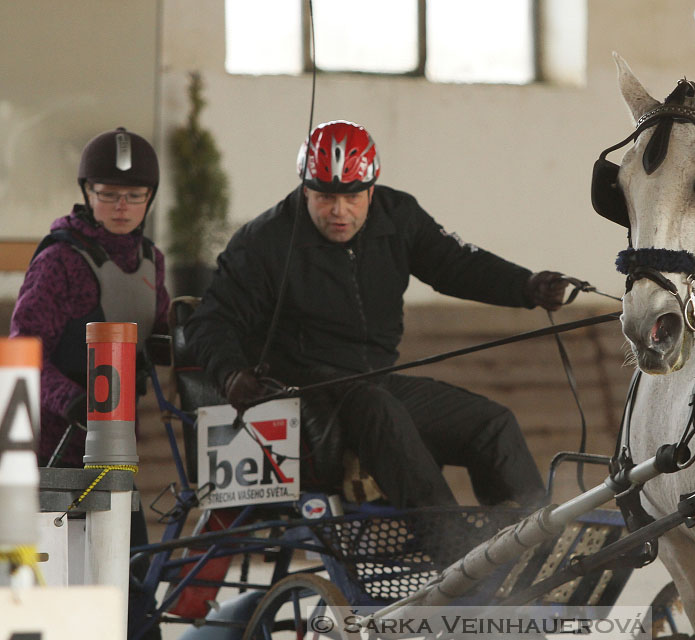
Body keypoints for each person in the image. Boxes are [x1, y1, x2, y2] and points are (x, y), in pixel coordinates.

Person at [185, 120, 568, 510]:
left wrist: (525, 286)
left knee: (492, 424)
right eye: (324, 197)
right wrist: (230, 372)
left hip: (375, 384)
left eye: (353, 198)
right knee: (379, 408)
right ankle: (451, 545)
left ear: (371, 188)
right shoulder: (264, 242)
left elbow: (454, 265)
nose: (340, 211)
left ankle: (532, 539)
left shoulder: (398, 216)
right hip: (306, 401)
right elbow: (211, 320)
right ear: (305, 189)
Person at [10, 126, 168, 639]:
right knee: (65, 592)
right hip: (57, 456)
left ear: (149, 199)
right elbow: (23, 347)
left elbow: (158, 333)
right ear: (87, 194)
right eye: (108, 194)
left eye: (134, 196)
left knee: (135, 583)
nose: (121, 206)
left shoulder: (152, 263)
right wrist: (74, 399)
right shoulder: (59, 262)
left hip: (117, 454)